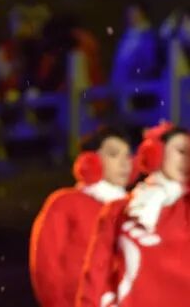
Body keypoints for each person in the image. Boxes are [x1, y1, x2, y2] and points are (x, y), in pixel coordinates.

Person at [77, 122, 189, 307]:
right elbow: (96, 271)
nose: (187, 160)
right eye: (182, 151)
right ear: (155, 153)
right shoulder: (119, 209)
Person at [29, 126, 133, 307]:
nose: (125, 163)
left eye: (128, 156)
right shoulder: (66, 202)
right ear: (91, 160)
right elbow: (46, 266)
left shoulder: (136, 209)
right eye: (114, 154)